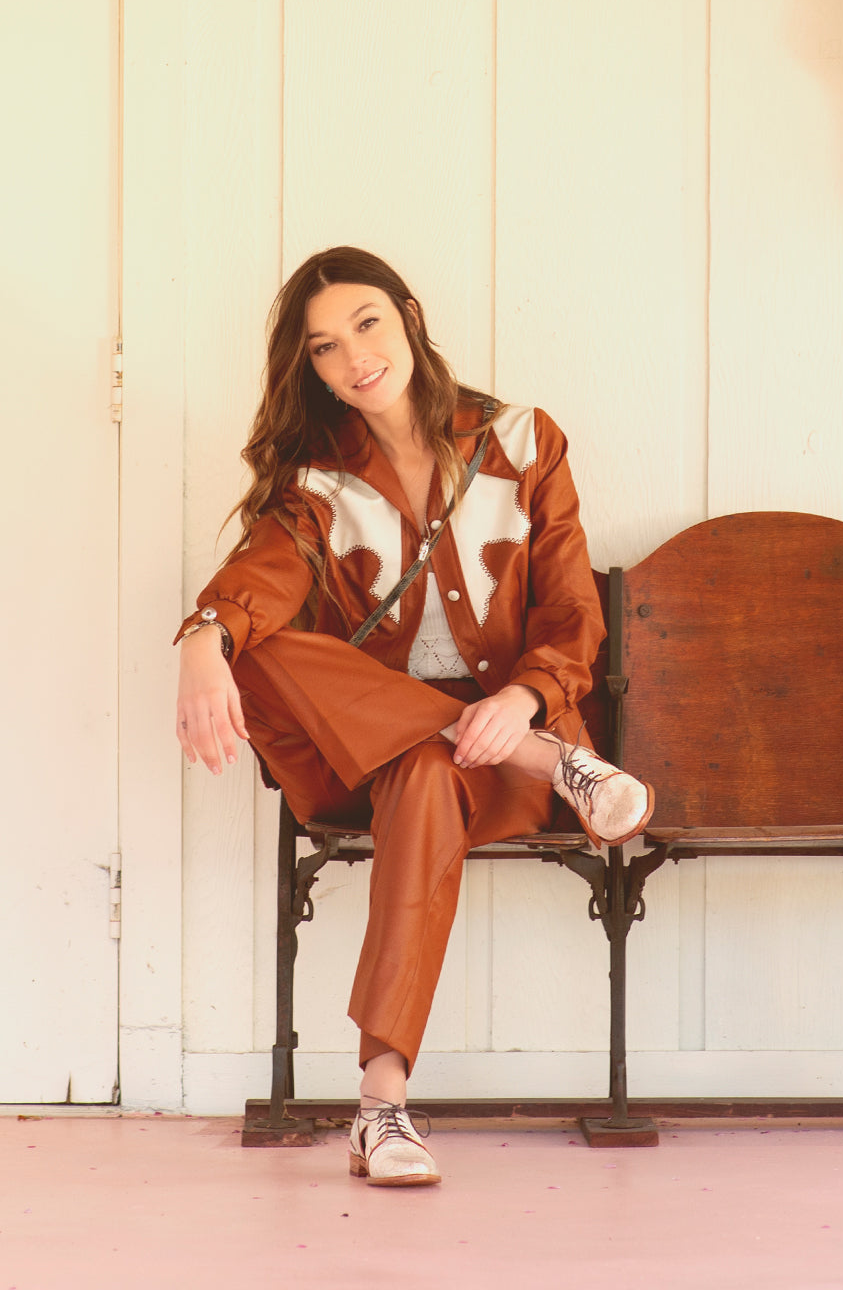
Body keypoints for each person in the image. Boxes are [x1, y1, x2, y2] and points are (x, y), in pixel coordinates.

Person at [175, 247, 653, 1187]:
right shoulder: (317, 481)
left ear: (407, 314)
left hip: (501, 744)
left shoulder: (522, 440)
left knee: (430, 771)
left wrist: (517, 701)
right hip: (387, 755)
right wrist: (200, 640)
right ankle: (547, 756)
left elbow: (569, 611)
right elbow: (257, 585)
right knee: (259, 645)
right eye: (322, 348)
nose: (352, 357)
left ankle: (380, 1106)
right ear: (308, 369)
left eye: (365, 324)